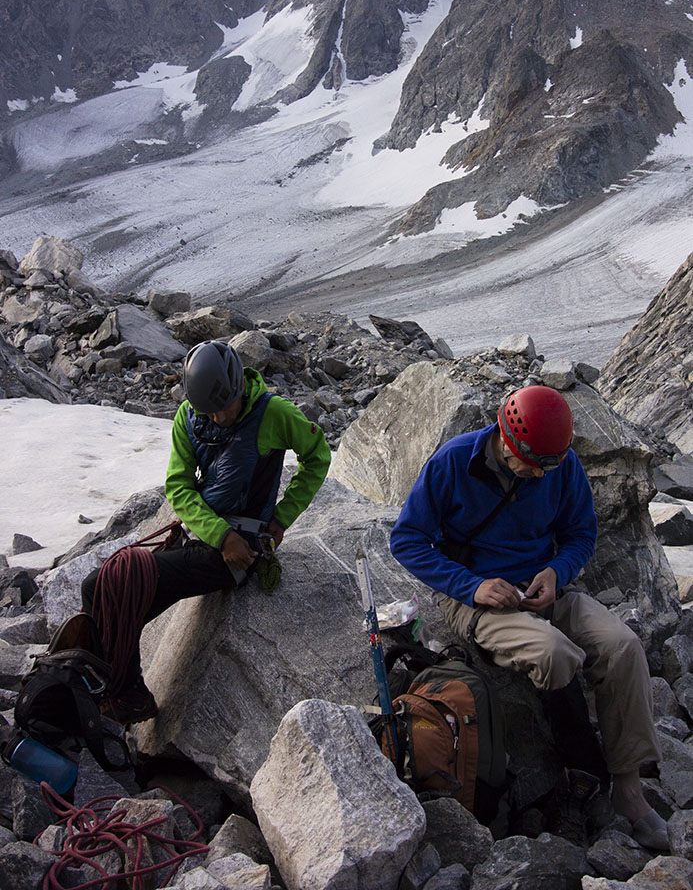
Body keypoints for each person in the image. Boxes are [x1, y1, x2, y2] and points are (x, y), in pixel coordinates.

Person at [389, 384, 667, 851]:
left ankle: (629, 788)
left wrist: (557, 573)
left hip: (544, 590)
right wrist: (472, 586)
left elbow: (580, 532)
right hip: (474, 598)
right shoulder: (453, 463)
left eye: (549, 464)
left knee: (623, 646)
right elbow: (408, 540)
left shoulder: (561, 463)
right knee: (553, 652)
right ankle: (578, 773)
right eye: (532, 463)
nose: (540, 474)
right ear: (505, 437)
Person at [82, 339, 331, 724]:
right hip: (210, 541)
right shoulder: (188, 416)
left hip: (240, 553)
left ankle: (124, 694)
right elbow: (179, 486)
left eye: (223, 409)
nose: (216, 418)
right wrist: (219, 534)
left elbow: (318, 455)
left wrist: (280, 520)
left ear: (239, 390)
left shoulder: (273, 414)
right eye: (207, 412)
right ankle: (113, 687)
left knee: (121, 583)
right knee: (98, 588)